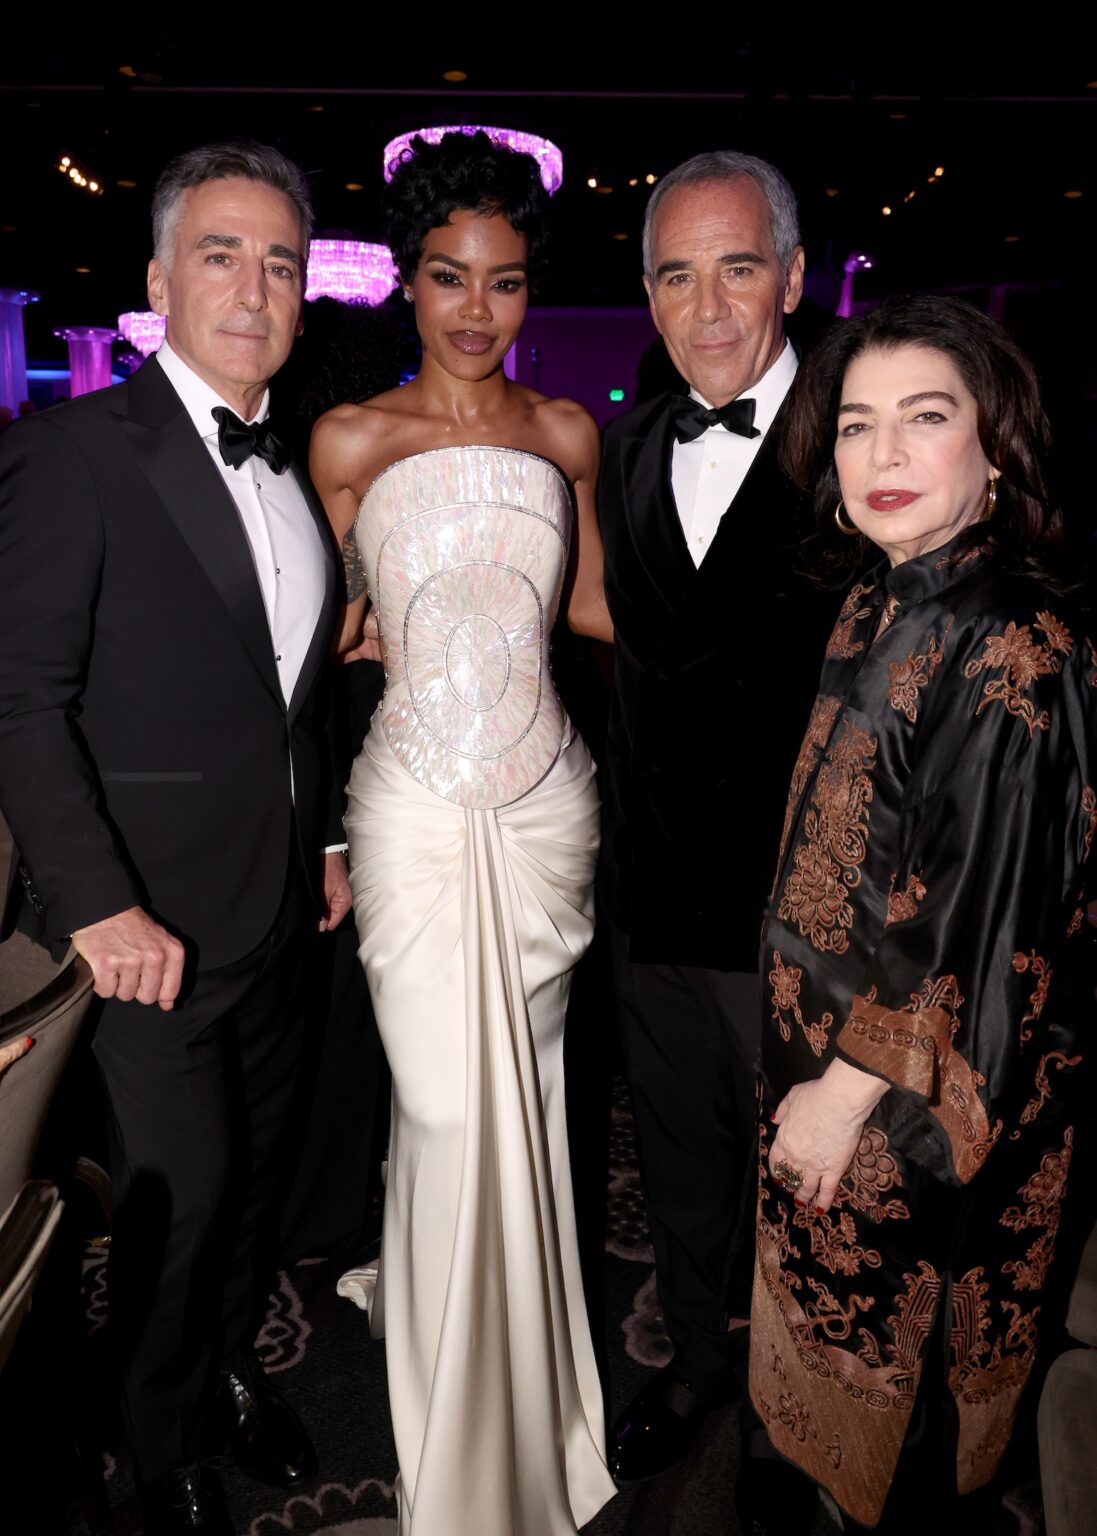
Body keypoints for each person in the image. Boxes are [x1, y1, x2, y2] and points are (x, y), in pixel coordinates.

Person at [0, 141, 351, 1536]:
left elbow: (291, 695)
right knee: (182, 1200)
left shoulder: (297, 461)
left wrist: (319, 839)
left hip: (273, 909)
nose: (253, 285)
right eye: (221, 252)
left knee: (254, 1187)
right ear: (157, 280)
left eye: (278, 260)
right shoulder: (72, 452)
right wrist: (96, 906)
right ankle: (157, 1447)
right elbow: (18, 699)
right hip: (143, 925)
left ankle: (211, 1382)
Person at [310, 130, 617, 1536]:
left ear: (526, 290)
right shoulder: (350, 441)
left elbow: (601, 616)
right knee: (440, 1107)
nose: (474, 311)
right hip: (413, 815)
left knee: (531, 1111)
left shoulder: (567, 438)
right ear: (410, 286)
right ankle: (449, 1453)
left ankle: (538, 1405)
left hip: (547, 808)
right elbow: (326, 644)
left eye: (501, 283)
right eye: (448, 278)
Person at [755, 295, 1095, 1533]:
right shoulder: (879, 594)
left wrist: (841, 1098)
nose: (882, 455)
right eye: (855, 424)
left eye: (923, 418)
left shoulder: (1012, 645)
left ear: (993, 446)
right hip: (835, 1069)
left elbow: (976, 926)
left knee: (910, 1446)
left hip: (917, 1107)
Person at [597, 150, 836, 1492]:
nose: (706, 308)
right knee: (682, 1171)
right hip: (657, 897)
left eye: (736, 268)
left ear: (791, 277)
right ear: (645, 290)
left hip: (806, 910)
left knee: (815, 1194)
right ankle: (695, 1367)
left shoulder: (862, 441)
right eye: (676, 275)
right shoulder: (629, 443)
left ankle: (804, 1425)